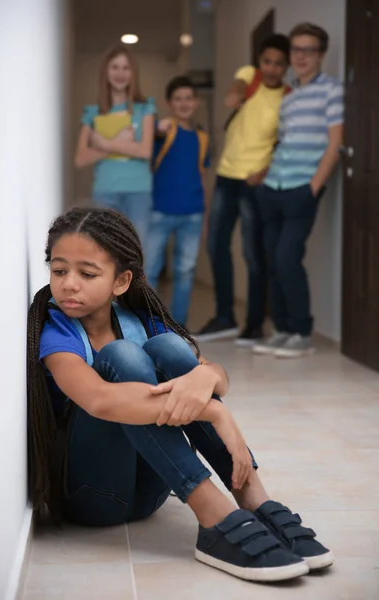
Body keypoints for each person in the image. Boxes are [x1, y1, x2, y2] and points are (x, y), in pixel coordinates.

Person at [27, 207, 333, 584]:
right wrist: (216, 415)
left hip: (151, 492)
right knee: (121, 356)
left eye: (87, 273)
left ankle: (253, 497)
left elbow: (218, 376)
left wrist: (202, 378)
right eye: (59, 271)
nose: (69, 284)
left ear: (120, 281)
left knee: (171, 347)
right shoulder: (58, 332)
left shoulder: (141, 320)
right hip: (93, 497)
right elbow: (100, 401)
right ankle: (214, 517)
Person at [253, 24, 344, 358]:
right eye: (296, 50)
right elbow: (284, 143)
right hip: (273, 187)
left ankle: (302, 332)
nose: (300, 57)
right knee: (272, 261)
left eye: (308, 50)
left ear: (320, 54)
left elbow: (336, 143)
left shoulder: (332, 91)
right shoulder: (289, 98)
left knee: (287, 257)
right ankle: (283, 328)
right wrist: (264, 178)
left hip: (301, 190)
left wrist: (313, 187)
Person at [196, 34, 291, 346]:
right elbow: (232, 92)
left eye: (278, 63)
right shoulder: (249, 76)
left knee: (253, 254)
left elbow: (285, 143)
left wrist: (265, 171)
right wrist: (236, 93)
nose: (272, 68)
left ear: (286, 65)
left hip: (254, 183)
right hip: (226, 175)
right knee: (216, 245)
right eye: (267, 62)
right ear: (260, 62)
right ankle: (225, 317)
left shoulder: (288, 98)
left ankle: (253, 325)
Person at [74, 45, 155, 247]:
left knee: (136, 253)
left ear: (133, 73)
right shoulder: (92, 112)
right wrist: (120, 143)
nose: (120, 73)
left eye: (126, 68)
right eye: (115, 67)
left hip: (138, 191)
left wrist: (105, 143)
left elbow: (145, 151)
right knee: (105, 254)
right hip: (105, 191)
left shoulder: (145, 108)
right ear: (105, 72)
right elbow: (81, 158)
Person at [145, 76, 210, 328]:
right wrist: (156, 129)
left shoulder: (202, 137)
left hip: (193, 214)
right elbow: (150, 136)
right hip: (159, 211)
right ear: (169, 103)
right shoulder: (164, 130)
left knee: (185, 271)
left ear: (196, 102)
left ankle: (178, 325)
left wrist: (205, 217)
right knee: (150, 270)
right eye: (178, 99)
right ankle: (150, 324)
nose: (184, 104)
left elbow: (201, 177)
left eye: (188, 98)